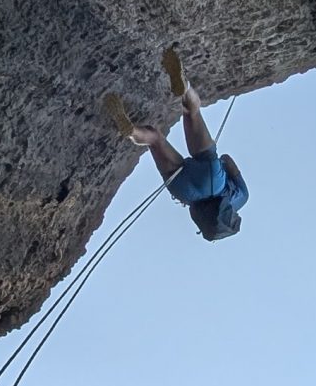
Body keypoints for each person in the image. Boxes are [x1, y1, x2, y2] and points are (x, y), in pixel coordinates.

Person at [106, 46, 247, 240]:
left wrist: (218, 163)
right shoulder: (209, 219)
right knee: (155, 140)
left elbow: (228, 160)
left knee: (192, 112)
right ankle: (131, 131)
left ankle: (185, 88)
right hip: (185, 191)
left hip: (213, 179)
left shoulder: (241, 199)